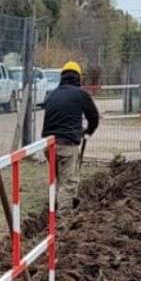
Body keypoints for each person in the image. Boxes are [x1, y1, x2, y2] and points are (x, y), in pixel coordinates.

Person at [40, 61, 100, 210]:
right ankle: (63, 217)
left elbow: (46, 107)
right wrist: (88, 132)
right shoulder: (81, 94)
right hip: (67, 144)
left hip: (48, 144)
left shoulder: (53, 94)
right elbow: (94, 117)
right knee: (69, 182)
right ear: (78, 78)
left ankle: (55, 204)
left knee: (59, 177)